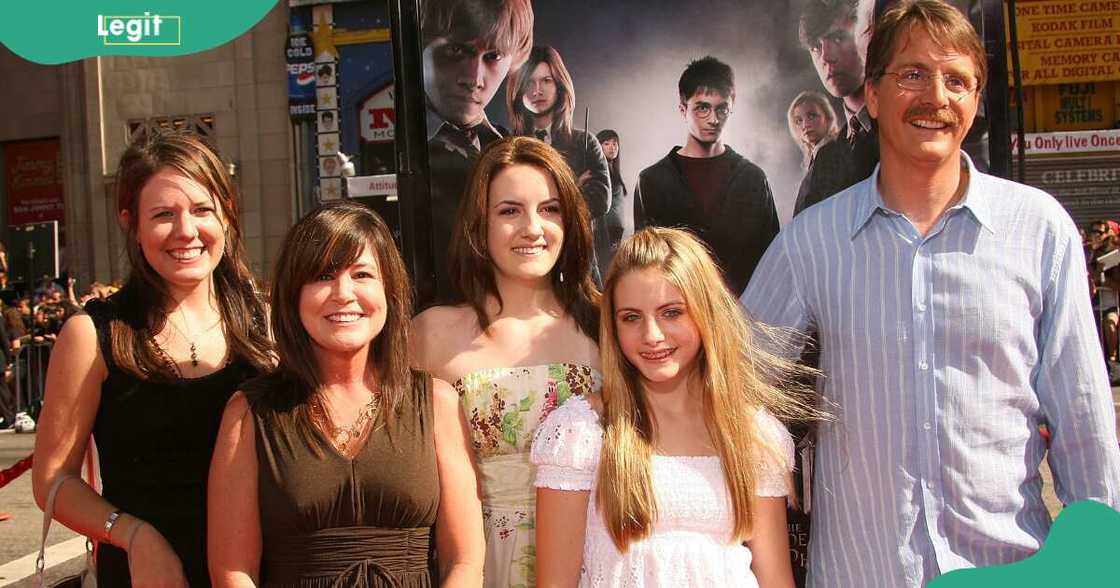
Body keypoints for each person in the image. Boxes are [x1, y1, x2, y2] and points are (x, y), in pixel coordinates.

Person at [742, 2, 1120, 585]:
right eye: (912, 74)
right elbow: (734, 378)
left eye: (957, 80)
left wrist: (1096, 564)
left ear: (975, 100)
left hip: (1010, 567)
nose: (936, 97)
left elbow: (1084, 423)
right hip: (863, 571)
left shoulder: (1038, 229)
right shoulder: (812, 242)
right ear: (871, 93)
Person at [31, 130, 272, 587]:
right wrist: (134, 536)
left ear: (227, 214)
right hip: (150, 576)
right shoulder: (94, 334)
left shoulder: (268, 324)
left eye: (202, 210)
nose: (186, 231)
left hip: (261, 571)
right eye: (163, 214)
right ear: (132, 224)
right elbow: (53, 482)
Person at [208, 202, 484, 586]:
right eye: (323, 275)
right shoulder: (250, 413)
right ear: (293, 295)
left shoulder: (437, 403)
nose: (344, 293)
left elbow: (466, 560)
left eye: (362, 274)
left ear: (389, 289)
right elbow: (232, 571)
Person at [533, 227, 817, 587]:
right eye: (631, 317)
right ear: (613, 327)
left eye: (671, 313)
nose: (652, 335)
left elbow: (775, 578)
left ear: (705, 313)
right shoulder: (581, 434)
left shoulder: (753, 434)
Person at [411, 136, 601, 587]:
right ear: (479, 224)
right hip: (476, 565)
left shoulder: (608, 326)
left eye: (550, 209)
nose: (532, 227)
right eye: (509, 210)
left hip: (593, 556)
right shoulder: (431, 334)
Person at [633, 56, 780, 298]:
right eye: (702, 107)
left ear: (731, 107)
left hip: (745, 322)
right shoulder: (652, 181)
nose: (713, 119)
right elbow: (645, 267)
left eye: (721, 108)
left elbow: (773, 264)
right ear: (683, 109)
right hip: (678, 318)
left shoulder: (753, 180)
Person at [422, 0, 534, 302]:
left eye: (493, 56)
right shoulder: (394, 153)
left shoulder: (516, 150)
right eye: (456, 51)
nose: (474, 78)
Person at [506, 46, 611, 283]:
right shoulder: (509, 146)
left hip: (580, 268)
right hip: (527, 268)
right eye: (529, 82)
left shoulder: (584, 142)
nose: (537, 90)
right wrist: (574, 186)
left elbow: (600, 200)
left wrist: (538, 201)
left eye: (546, 81)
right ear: (518, 89)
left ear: (560, 86)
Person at [794, 0, 880, 216]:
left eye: (838, 38)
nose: (826, 57)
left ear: (867, 35)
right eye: (815, 47)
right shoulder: (824, 161)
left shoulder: (909, 133)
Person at [595, 129, 627, 277]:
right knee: (606, 269)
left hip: (615, 229)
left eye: (615, 143)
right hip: (604, 228)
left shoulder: (613, 169)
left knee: (612, 269)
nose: (612, 147)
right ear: (598, 146)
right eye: (606, 143)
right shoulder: (600, 170)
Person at [787, 91, 840, 169]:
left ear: (828, 118)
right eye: (799, 121)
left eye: (811, 116)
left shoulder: (840, 150)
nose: (805, 125)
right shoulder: (811, 160)